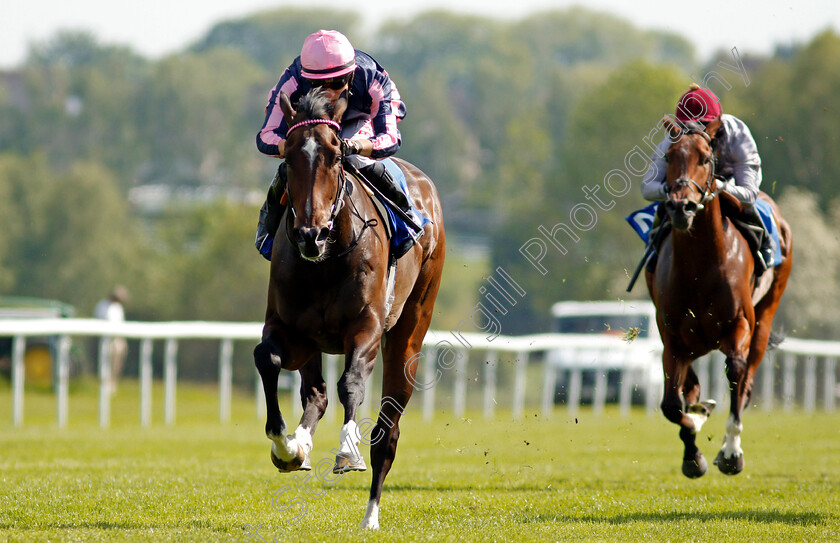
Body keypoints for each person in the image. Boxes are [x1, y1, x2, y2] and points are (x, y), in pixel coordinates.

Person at [254, 29, 409, 260]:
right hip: (310, 122)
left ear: (351, 75)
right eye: (317, 85)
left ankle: (405, 220)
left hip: (359, 117)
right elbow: (266, 135)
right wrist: (288, 148)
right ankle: (266, 231)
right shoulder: (291, 81)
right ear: (305, 78)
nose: (329, 93)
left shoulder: (372, 79)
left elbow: (390, 138)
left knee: (357, 159)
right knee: (296, 163)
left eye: (337, 83)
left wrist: (355, 146)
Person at [640, 83, 774, 275]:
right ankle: (653, 250)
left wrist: (717, 186)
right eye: (687, 127)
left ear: (717, 123)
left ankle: (764, 246)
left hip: (729, 184)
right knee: (664, 208)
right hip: (688, 190)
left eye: (703, 125)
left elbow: (749, 195)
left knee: (746, 209)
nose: (695, 132)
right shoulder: (673, 141)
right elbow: (647, 188)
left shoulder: (737, 135)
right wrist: (672, 190)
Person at [94, 286, 128, 395]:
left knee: (116, 363)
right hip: (105, 339)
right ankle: (104, 384)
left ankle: (113, 383)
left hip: (117, 339)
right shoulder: (102, 305)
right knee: (105, 362)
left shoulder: (118, 308)